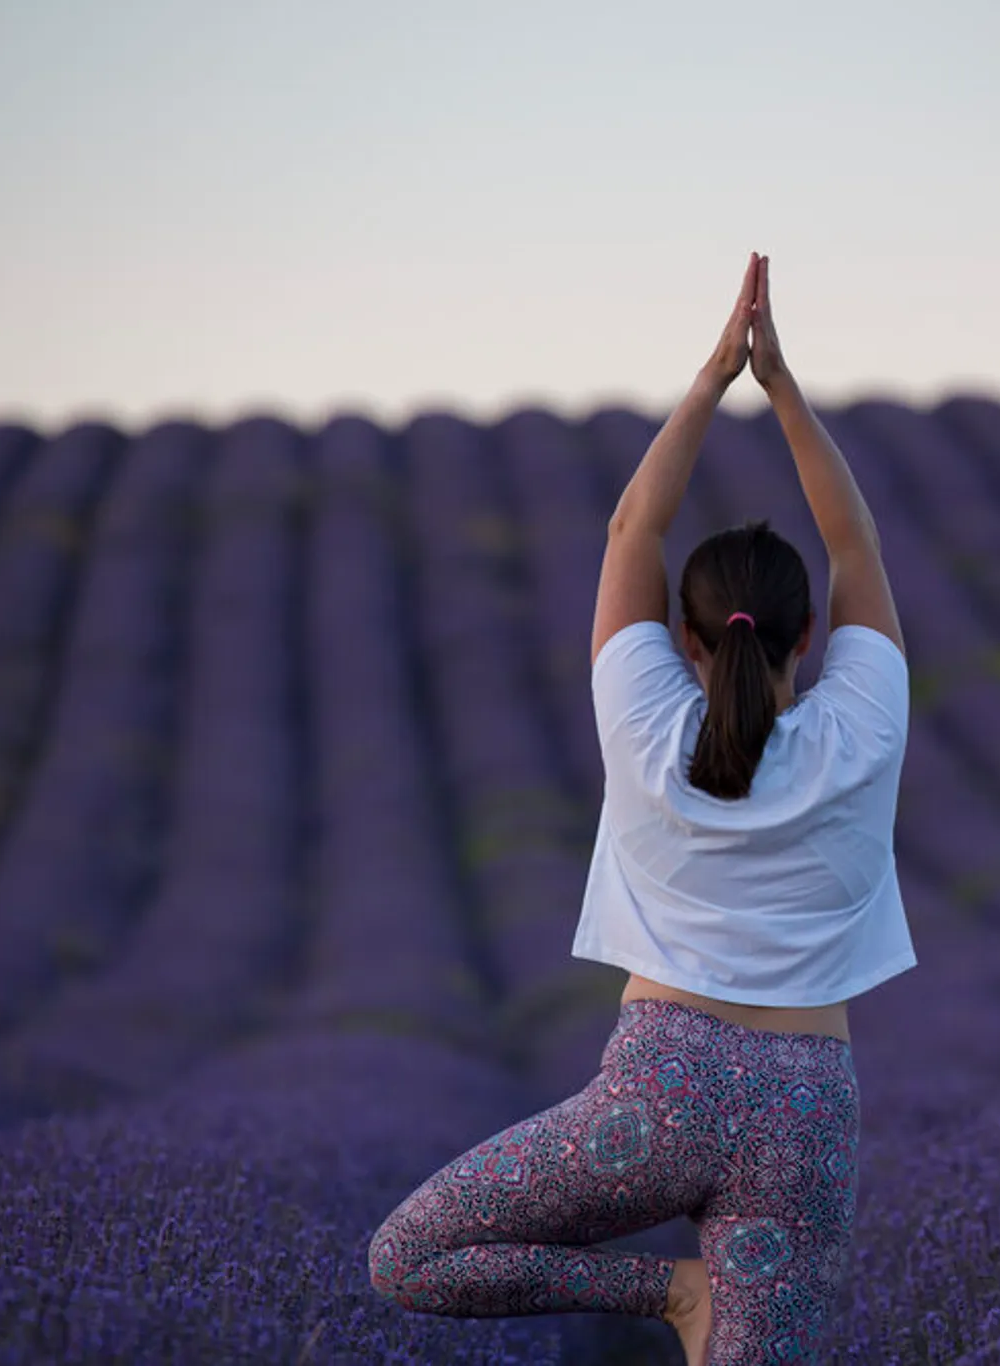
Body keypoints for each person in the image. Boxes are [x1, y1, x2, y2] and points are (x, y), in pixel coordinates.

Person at [369, 252, 915, 1364]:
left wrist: (717, 376)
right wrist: (786, 391)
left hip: (659, 1098)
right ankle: (695, 1300)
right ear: (808, 637)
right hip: (806, 1117)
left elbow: (631, 534)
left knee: (409, 1256)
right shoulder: (862, 726)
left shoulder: (643, 723)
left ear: (683, 641)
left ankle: (671, 1294)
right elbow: (854, 544)